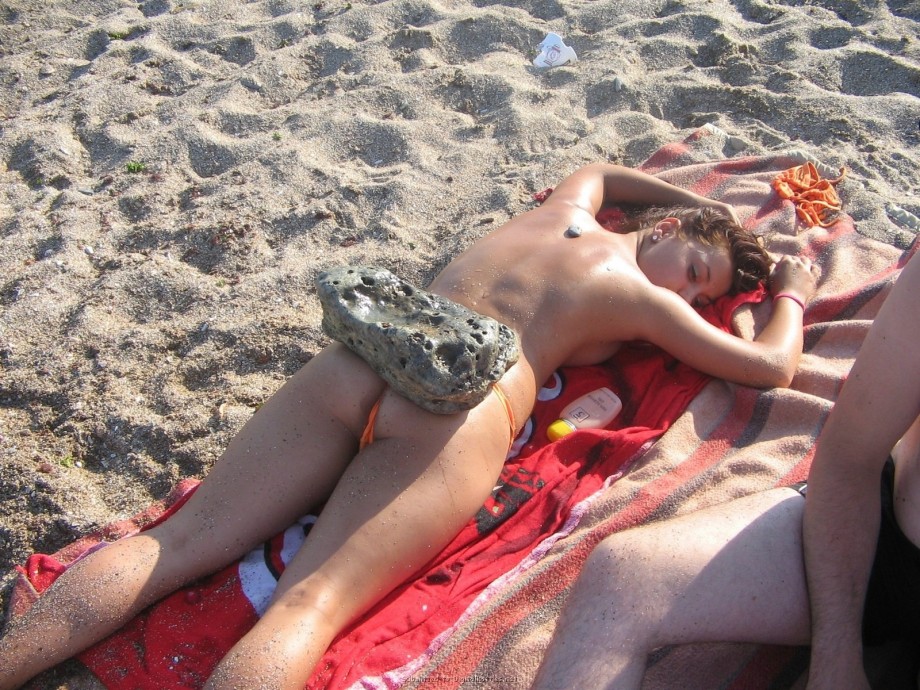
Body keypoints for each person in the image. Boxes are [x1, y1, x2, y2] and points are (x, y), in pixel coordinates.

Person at [0, 163, 818, 690]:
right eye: (699, 276)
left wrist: (695, 205)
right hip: (462, 404)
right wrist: (790, 294)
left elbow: (604, 171)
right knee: (308, 610)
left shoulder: (562, 211)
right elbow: (769, 366)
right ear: (666, 235)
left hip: (373, 347)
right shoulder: (636, 292)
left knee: (179, 543)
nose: (693, 301)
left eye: (702, 298)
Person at [531, 249, 920, 690]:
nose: (685, 296)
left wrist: (791, 294)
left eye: (699, 289)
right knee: (619, 578)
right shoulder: (636, 293)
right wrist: (835, 659)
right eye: (693, 276)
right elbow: (848, 453)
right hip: (886, 538)